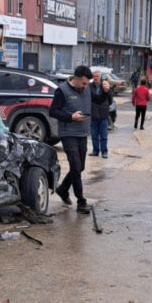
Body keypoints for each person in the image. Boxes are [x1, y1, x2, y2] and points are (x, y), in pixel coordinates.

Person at [48, 65, 93, 214]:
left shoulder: (86, 89)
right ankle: (81, 202)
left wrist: (106, 93)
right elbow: (53, 111)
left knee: (80, 167)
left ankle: (63, 189)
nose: (86, 87)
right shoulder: (62, 91)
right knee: (75, 167)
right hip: (68, 134)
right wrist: (70, 117)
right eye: (84, 83)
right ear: (76, 79)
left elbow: (99, 100)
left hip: (82, 133)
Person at [89, 75, 113, 158]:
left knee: (103, 135)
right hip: (93, 114)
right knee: (94, 135)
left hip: (103, 114)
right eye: (94, 76)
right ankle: (95, 151)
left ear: (100, 77)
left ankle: (104, 151)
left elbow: (110, 99)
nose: (96, 78)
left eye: (98, 76)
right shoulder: (89, 86)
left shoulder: (105, 86)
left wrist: (108, 90)